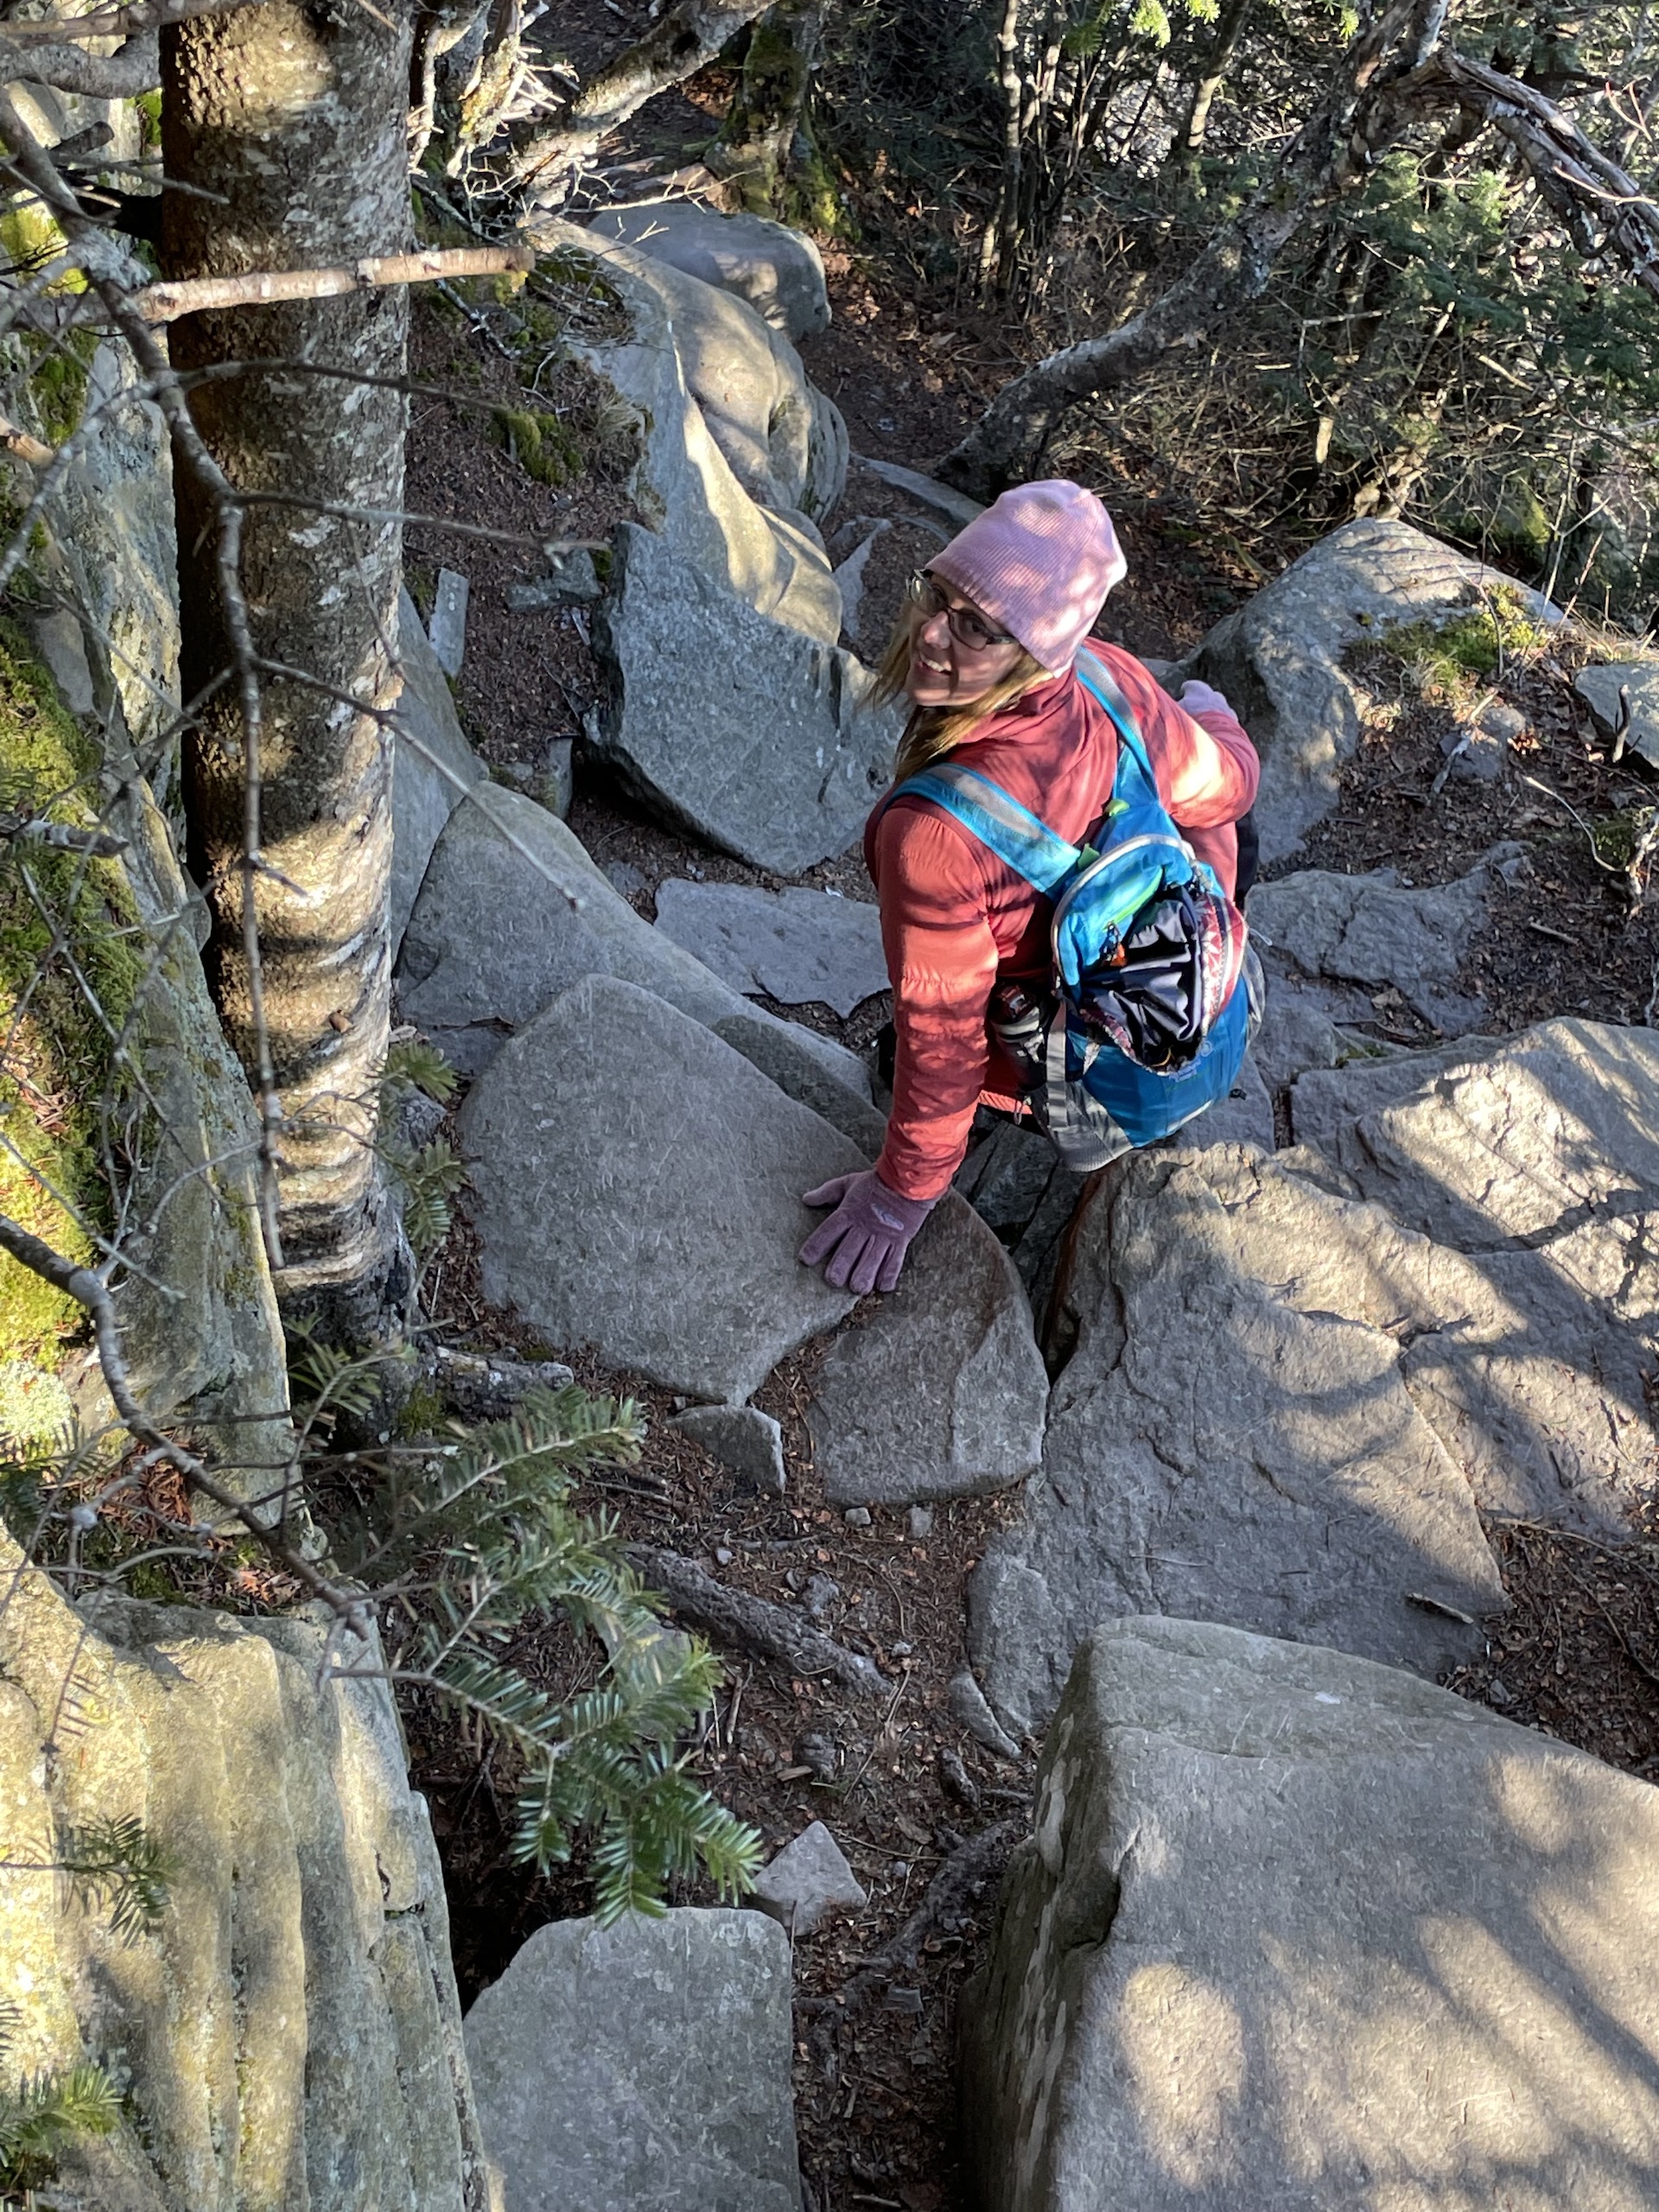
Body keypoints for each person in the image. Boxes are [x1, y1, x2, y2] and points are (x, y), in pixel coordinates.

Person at [798, 478, 1260, 1295]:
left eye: (977, 627)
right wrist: (1209, 712)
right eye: (936, 594)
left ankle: (1011, 1124)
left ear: (1034, 651)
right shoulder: (1112, 683)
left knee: (907, 1051)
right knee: (1224, 841)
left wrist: (900, 1197)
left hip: (1063, 1058)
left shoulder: (934, 838)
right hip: (1200, 1004)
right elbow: (1229, 790)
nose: (932, 633)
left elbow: (943, 1044)